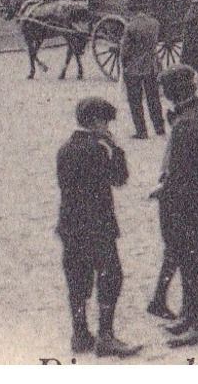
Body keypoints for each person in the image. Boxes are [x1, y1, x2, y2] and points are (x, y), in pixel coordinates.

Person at [56, 96, 140, 358]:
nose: (108, 127)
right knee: (110, 276)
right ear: (95, 122)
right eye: (106, 122)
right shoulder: (98, 149)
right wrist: (116, 148)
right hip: (98, 225)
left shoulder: (64, 149)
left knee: (77, 279)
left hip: (70, 225)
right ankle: (106, 335)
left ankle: (80, 333)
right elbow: (119, 178)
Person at [147, 66, 198, 322]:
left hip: (187, 200)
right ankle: (193, 313)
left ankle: (197, 321)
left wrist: (163, 191)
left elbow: (180, 173)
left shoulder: (186, 123)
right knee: (194, 255)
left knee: (188, 258)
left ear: (172, 92)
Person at [120, 10, 165, 139]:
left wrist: (124, 66)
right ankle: (159, 128)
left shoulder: (131, 26)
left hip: (134, 68)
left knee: (135, 101)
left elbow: (125, 50)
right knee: (154, 98)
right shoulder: (154, 23)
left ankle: (142, 131)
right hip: (152, 66)